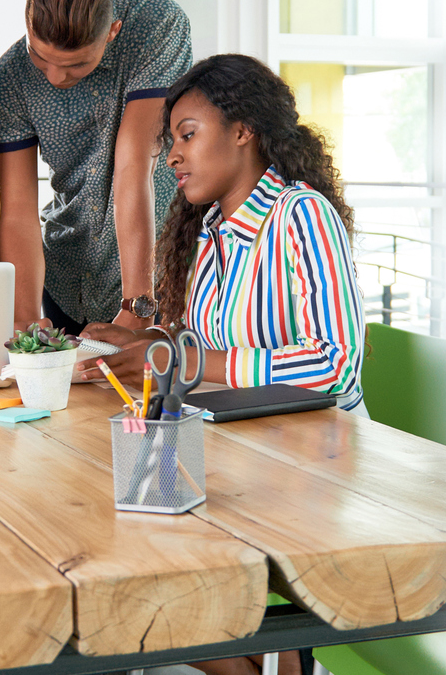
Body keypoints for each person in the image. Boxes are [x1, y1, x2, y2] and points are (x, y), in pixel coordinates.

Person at [80, 55, 365, 675]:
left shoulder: (300, 214)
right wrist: (135, 343)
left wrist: (182, 357)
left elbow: (335, 366)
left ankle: (286, 658)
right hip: (235, 455)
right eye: (170, 142)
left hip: (309, 469)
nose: (173, 156)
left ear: (243, 130)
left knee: (146, 583)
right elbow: (199, 346)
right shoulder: (206, 231)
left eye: (187, 134)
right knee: (121, 559)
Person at [0, 0, 192, 333]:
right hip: (67, 280)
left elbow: (134, 165)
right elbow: (17, 210)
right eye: (40, 58)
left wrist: (137, 307)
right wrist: (24, 320)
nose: (55, 77)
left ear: (112, 32)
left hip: (158, 279)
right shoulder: (11, 76)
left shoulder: (157, 25)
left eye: (76, 65)